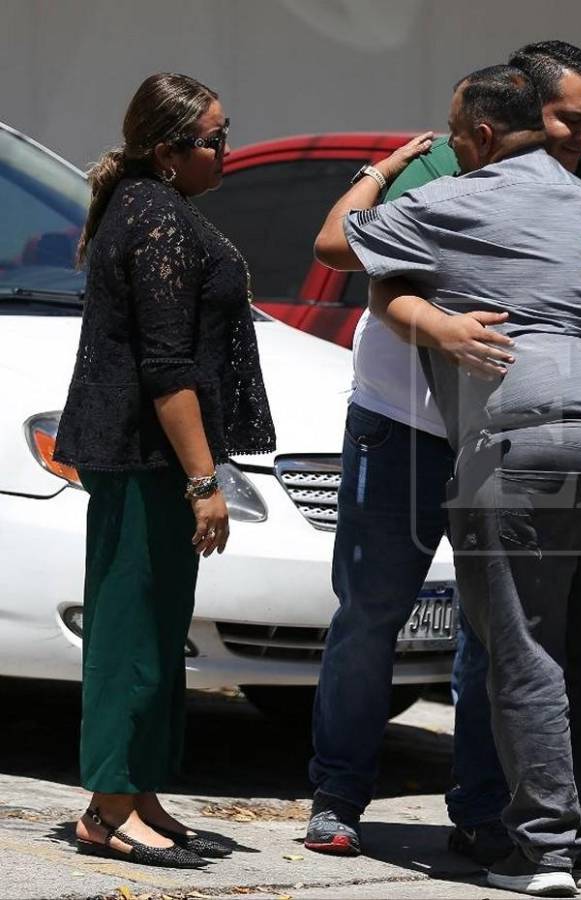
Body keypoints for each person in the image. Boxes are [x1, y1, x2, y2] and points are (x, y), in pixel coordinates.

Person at [304, 39, 581, 864]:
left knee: (495, 632)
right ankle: (338, 796)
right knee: (373, 613)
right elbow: (361, 263)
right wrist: (436, 321)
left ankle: (487, 811)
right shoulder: (444, 164)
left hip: (509, 434)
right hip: (406, 421)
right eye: (569, 119)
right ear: (519, 112)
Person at [54, 72, 276, 868]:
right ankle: (108, 809)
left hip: (153, 461)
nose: (227, 150)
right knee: (131, 633)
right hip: (146, 459)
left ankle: (137, 793)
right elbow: (166, 365)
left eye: (226, 133)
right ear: (166, 150)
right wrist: (203, 481)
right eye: (213, 140)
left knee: (156, 629)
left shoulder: (158, 206)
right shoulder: (154, 217)